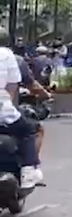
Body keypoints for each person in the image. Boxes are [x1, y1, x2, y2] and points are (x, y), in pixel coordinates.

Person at [0, 30, 42, 188]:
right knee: (29, 130)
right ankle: (28, 172)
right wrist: (6, 104)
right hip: (4, 112)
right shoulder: (9, 56)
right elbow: (13, 86)